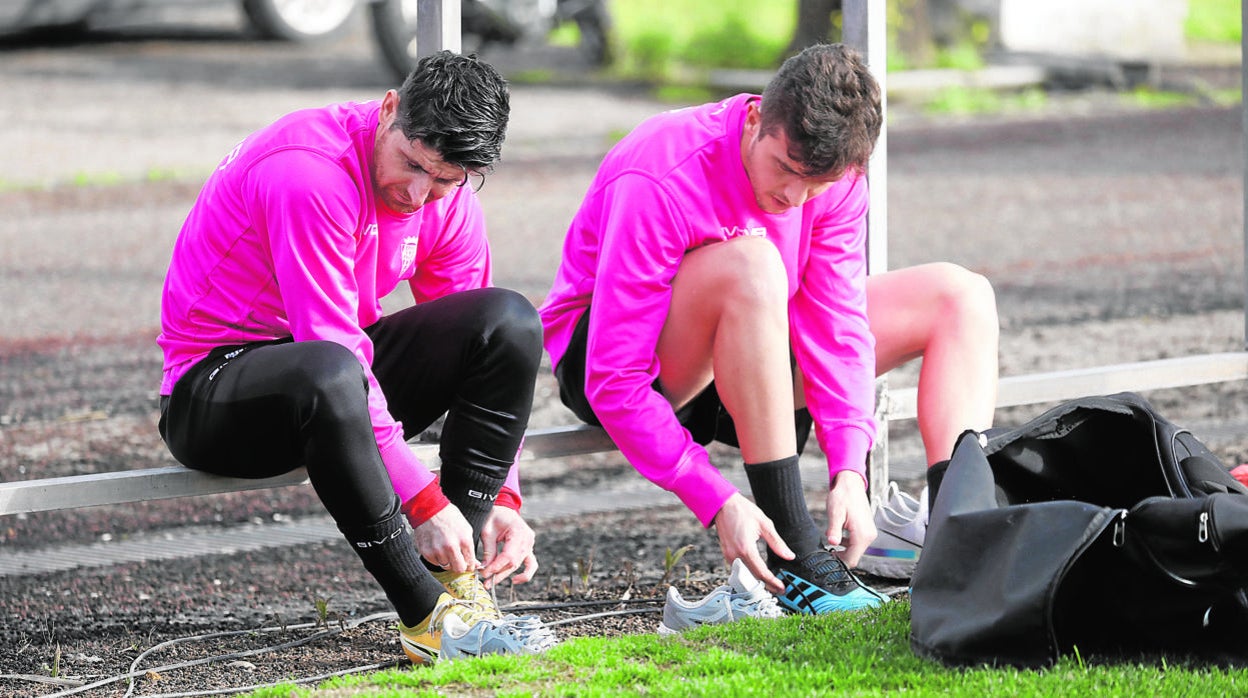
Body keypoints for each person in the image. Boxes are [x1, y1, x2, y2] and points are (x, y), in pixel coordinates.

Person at [539, 43, 999, 614]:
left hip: (753, 346)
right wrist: (713, 496)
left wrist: (850, 468)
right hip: (628, 366)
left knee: (962, 297)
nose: (792, 199)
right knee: (755, 261)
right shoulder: (662, 168)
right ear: (756, 117)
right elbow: (613, 377)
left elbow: (838, 326)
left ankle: (966, 537)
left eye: (816, 185)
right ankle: (797, 555)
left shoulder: (838, 180)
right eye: (784, 168)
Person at [157, 51, 556, 663]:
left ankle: (463, 582)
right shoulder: (309, 173)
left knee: (506, 322)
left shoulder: (446, 201)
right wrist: (423, 500)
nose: (418, 195)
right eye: (412, 164)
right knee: (333, 370)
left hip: (333, 380)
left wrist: (503, 495)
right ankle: (426, 616)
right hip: (215, 394)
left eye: (445, 180)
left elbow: (475, 340)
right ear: (389, 109)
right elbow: (335, 344)